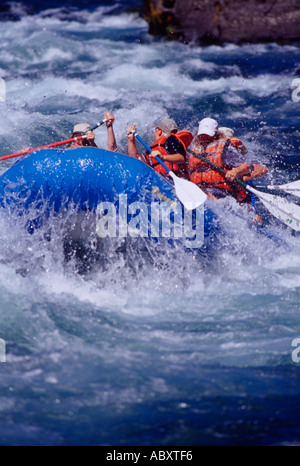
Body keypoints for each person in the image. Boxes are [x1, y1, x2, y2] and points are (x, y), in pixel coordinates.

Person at [188, 118, 268, 202]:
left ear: (215, 134)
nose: (204, 138)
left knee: (208, 195)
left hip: (221, 193)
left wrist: (236, 172)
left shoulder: (225, 149)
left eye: (208, 135)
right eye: (202, 135)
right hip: (199, 190)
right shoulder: (193, 149)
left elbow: (250, 165)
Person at [126, 118, 193, 178]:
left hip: (176, 181)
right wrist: (131, 140)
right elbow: (135, 159)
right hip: (163, 182)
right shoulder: (154, 149)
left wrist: (163, 157)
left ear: (159, 131)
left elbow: (181, 158)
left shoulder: (171, 140)